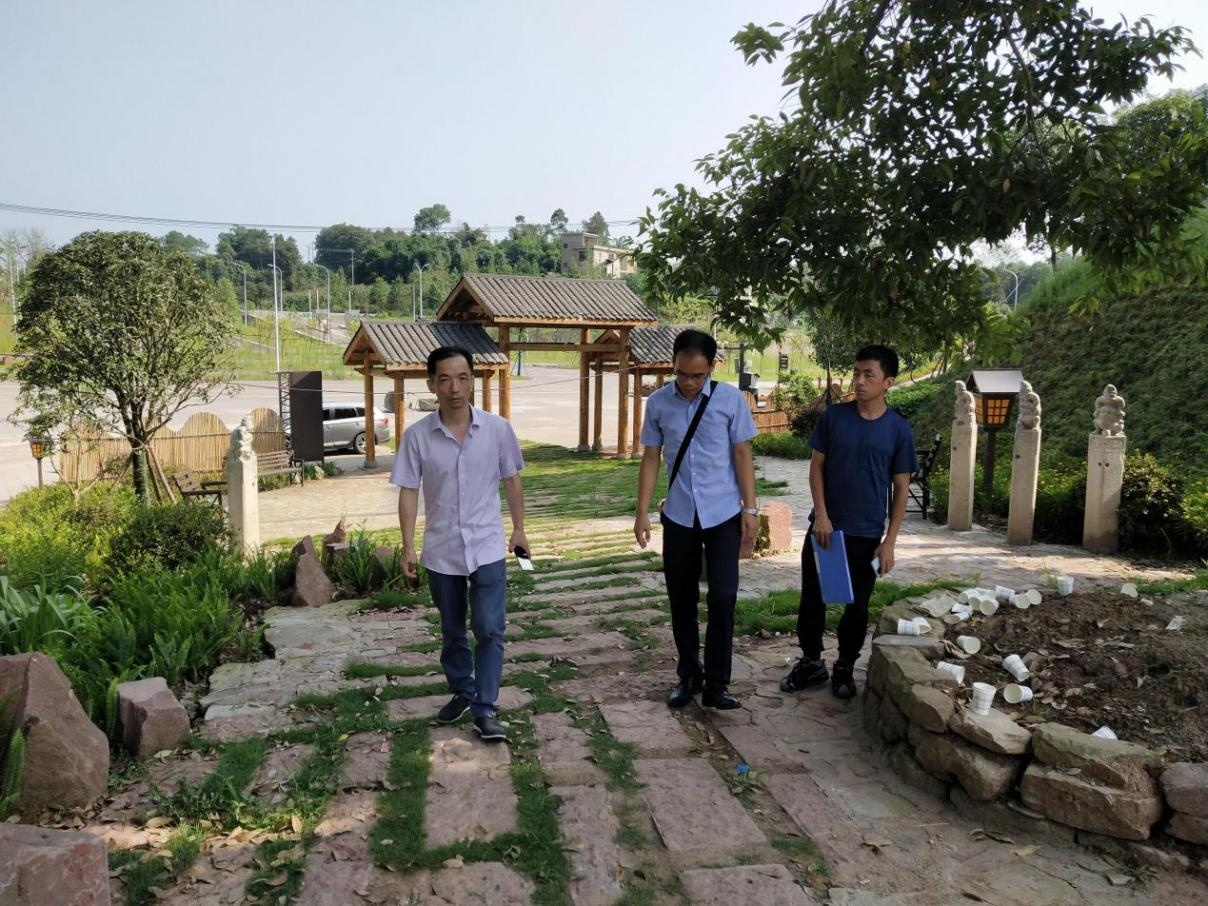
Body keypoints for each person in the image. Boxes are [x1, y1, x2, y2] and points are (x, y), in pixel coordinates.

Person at [394, 345, 528, 742]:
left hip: (487, 544)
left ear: (473, 381)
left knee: (488, 627)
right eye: (445, 379)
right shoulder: (417, 436)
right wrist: (407, 546)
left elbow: (512, 479)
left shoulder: (498, 430)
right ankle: (463, 690)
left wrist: (519, 529)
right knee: (452, 630)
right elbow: (408, 491)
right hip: (441, 549)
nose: (455, 388)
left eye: (463, 378)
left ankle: (486, 708)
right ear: (431, 384)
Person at [780, 344, 917, 699]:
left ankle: (844, 666)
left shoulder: (898, 430)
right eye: (856, 373)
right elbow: (816, 468)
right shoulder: (834, 417)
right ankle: (812, 662)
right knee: (813, 601)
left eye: (868, 375)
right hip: (826, 530)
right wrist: (822, 515)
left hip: (867, 534)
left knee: (857, 607)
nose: (859, 381)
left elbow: (901, 488)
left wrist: (889, 541)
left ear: (888, 382)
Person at [634, 329, 759, 710]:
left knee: (723, 596)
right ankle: (689, 674)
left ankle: (718, 684)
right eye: (682, 374)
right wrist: (641, 512)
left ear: (712, 368)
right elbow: (651, 457)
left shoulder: (730, 400)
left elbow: (742, 453)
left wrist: (750, 509)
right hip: (679, 514)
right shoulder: (658, 403)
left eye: (697, 376)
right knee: (681, 597)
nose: (689, 382)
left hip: (723, 513)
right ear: (673, 365)